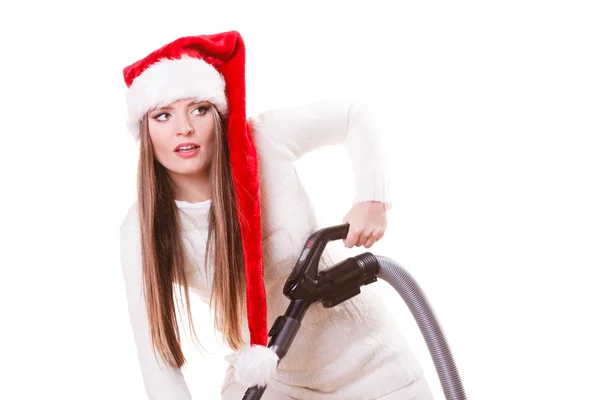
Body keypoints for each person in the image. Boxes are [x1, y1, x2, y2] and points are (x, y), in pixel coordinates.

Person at [119, 31, 434, 400]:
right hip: (273, 382)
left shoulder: (265, 141)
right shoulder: (141, 230)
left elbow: (355, 116)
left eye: (199, 109)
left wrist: (372, 198)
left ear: (218, 115)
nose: (183, 128)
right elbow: (157, 360)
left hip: (370, 370)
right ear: (145, 128)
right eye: (163, 115)